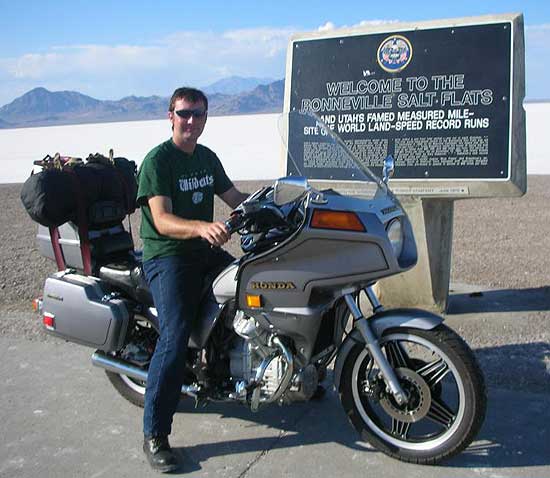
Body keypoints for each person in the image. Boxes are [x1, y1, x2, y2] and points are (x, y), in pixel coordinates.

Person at [136, 87, 248, 472]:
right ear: (170, 115)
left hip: (201, 252)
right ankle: (155, 434)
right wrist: (202, 227)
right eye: (184, 113)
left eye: (198, 114)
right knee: (175, 334)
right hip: (168, 257)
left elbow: (235, 197)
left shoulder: (206, 157)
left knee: (248, 288)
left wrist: (271, 207)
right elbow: (162, 221)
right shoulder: (158, 161)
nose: (191, 121)